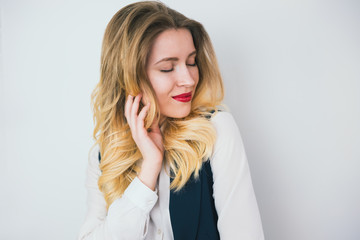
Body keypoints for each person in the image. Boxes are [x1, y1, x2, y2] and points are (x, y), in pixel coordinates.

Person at [78, 1, 264, 239]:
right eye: (167, 68)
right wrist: (149, 171)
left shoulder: (216, 131)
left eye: (191, 62)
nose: (188, 79)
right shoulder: (104, 155)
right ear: (129, 77)